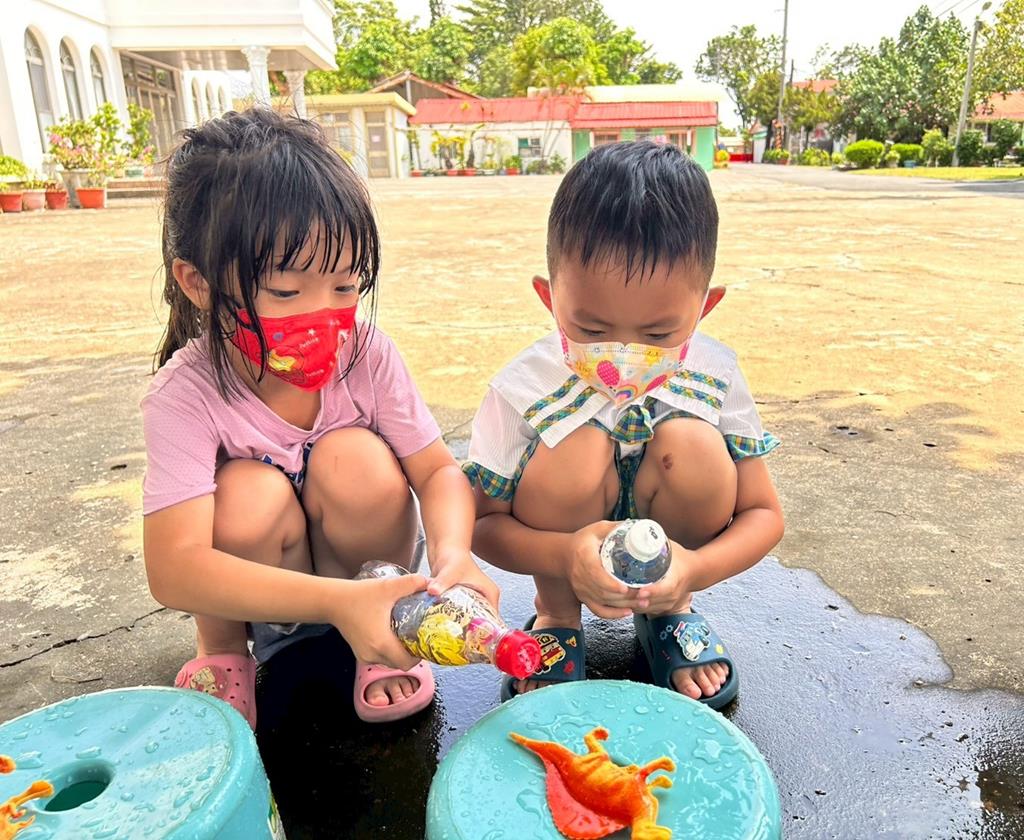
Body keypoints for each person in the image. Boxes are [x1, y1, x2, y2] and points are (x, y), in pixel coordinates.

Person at [142, 108, 497, 728]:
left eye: (345, 286)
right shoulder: (184, 393)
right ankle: (223, 648)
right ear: (198, 283)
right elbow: (173, 568)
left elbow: (439, 471)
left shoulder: (368, 355)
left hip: (367, 577)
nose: (322, 313)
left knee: (355, 456)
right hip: (266, 595)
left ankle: (385, 627)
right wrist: (338, 602)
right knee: (246, 491)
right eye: (285, 292)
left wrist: (453, 555)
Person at [464, 142, 784, 708]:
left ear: (705, 307)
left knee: (691, 442)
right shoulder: (524, 387)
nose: (623, 354)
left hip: (676, 562)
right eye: (591, 328)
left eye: (659, 334)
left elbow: (764, 514)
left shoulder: (715, 373)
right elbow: (483, 523)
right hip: (560, 553)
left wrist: (693, 569)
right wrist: (564, 556)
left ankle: (670, 608)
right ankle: (556, 613)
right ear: (549, 297)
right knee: (578, 446)